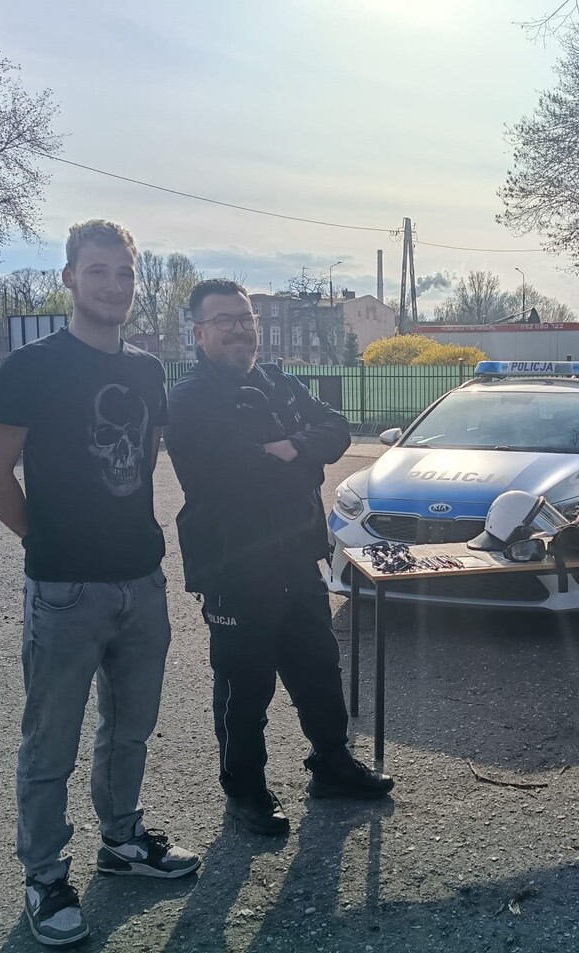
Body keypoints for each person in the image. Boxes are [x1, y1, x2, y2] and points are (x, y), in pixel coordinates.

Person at [0, 220, 200, 948]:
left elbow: (144, 459)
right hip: (65, 588)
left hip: (141, 579)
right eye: (97, 271)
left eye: (124, 273)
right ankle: (44, 874)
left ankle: (122, 839)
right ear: (69, 277)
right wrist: (44, 541)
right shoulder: (32, 366)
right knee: (50, 742)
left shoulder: (147, 370)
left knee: (129, 728)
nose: (113, 285)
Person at [165, 278, 393, 838]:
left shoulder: (277, 381)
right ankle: (244, 790)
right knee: (244, 688)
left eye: (246, 319)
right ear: (198, 333)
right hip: (235, 566)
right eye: (224, 321)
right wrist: (301, 460)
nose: (240, 329)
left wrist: (292, 448)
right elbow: (237, 474)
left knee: (318, 667)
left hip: (297, 556)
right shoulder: (191, 399)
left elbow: (336, 428)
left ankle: (331, 766)